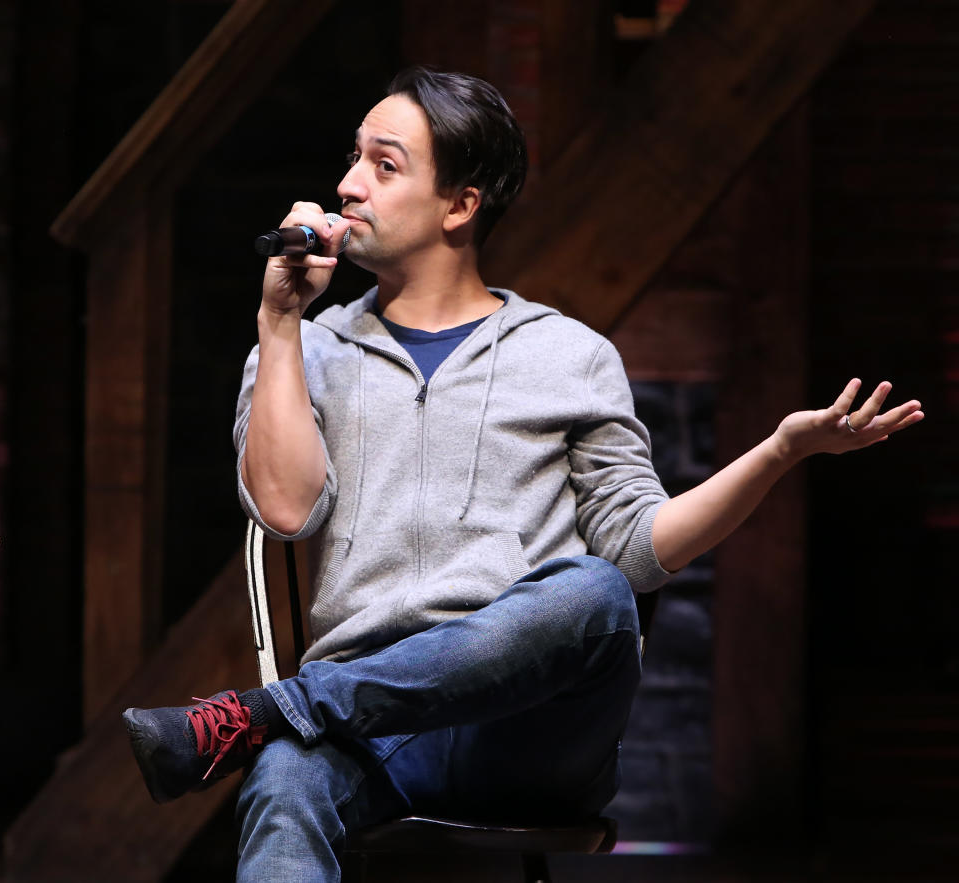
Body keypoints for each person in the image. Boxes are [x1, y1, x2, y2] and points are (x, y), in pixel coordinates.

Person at [123, 67, 923, 880]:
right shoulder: (307, 347)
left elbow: (642, 549)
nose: (347, 184)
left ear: (461, 205)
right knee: (285, 775)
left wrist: (780, 452)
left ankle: (272, 711)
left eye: (384, 164)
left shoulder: (569, 355)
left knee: (596, 591)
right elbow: (286, 510)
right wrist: (281, 321)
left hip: (529, 733)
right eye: (352, 157)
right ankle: (285, 722)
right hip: (371, 737)